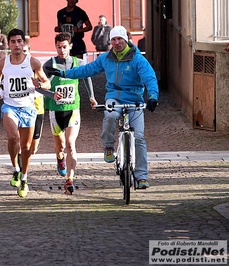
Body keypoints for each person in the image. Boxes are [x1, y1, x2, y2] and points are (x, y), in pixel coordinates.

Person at [46, 26, 159, 189]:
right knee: (111, 116)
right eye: (113, 40)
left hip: (134, 98)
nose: (117, 42)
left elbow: (149, 78)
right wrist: (63, 74)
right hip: (113, 97)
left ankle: (141, 176)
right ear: (110, 42)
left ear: (126, 39)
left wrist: (153, 96)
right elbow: (86, 70)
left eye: (120, 39)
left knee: (139, 137)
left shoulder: (138, 59)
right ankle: (108, 146)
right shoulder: (106, 58)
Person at [0, 28, 51, 198]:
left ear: (24, 44)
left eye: (19, 41)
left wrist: (39, 84)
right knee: (13, 138)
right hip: (9, 106)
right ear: (9, 44)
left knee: (26, 148)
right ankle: (15, 169)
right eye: (13, 41)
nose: (16, 44)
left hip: (28, 108)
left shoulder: (33, 62)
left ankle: (24, 178)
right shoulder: (3, 63)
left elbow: (47, 83)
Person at [43, 32, 97, 194]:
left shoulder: (78, 63)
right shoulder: (49, 65)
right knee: (60, 147)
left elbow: (86, 77)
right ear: (55, 47)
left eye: (64, 47)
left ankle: (70, 179)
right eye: (59, 47)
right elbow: (39, 87)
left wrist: (92, 96)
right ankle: (60, 159)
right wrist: (51, 94)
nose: (62, 50)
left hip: (73, 109)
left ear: (70, 46)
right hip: (55, 110)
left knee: (70, 144)